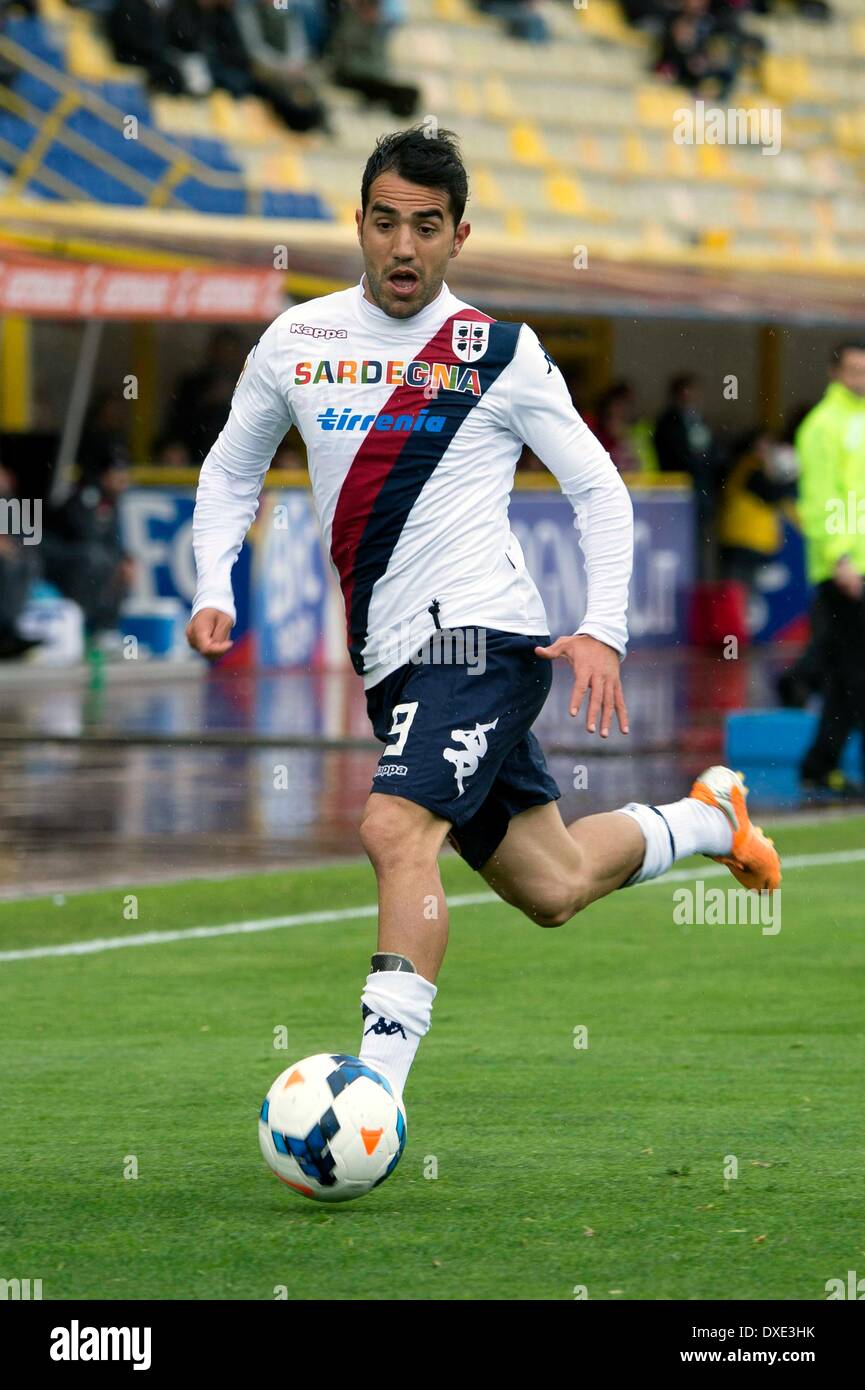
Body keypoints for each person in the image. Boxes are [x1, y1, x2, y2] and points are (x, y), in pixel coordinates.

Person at [187, 127, 780, 1108]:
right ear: (359, 225)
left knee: (393, 829)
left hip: (479, 643)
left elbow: (598, 486)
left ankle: (369, 1096)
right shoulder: (299, 342)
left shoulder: (496, 353)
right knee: (550, 887)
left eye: (427, 226)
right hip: (392, 665)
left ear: (458, 235)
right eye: (386, 223)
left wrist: (604, 627)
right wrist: (216, 583)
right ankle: (705, 818)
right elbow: (228, 469)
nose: (404, 246)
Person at [794, 341, 865, 798]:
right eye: (854, 369)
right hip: (844, 572)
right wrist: (840, 558)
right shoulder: (823, 425)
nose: (860, 376)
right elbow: (821, 499)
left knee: (848, 672)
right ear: (835, 371)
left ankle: (822, 763)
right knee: (849, 677)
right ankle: (820, 765)